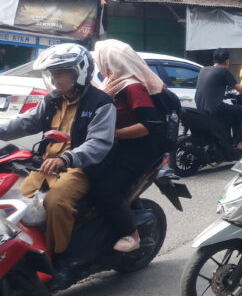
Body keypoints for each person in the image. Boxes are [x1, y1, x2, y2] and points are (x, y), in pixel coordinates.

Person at [0, 44, 115, 256]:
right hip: (44, 165)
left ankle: (58, 256)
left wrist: (67, 158)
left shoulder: (100, 103)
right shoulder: (52, 100)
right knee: (17, 204)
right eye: (52, 73)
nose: (54, 79)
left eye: (60, 73)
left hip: (79, 169)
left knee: (55, 203)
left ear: (78, 72)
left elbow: (98, 143)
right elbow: (25, 122)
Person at [91, 39, 165, 252]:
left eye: (101, 59)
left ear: (110, 61)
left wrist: (114, 135)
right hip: (117, 146)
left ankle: (131, 235)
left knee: (104, 190)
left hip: (138, 150)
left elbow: (148, 125)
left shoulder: (132, 87)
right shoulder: (113, 83)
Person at [194, 48, 242, 154]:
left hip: (201, 107)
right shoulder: (224, 70)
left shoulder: (203, 69)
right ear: (227, 61)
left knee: (233, 114)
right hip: (215, 108)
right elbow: (239, 88)